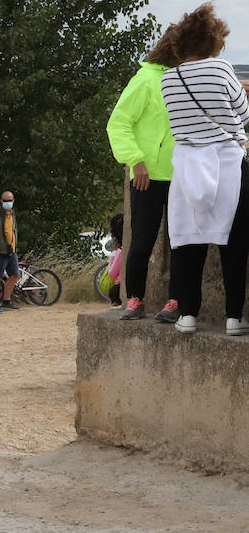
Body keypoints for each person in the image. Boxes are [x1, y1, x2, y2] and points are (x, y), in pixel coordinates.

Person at [159, 3, 249, 334]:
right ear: (213, 41)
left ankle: (187, 315)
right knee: (234, 243)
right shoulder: (222, 69)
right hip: (226, 162)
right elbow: (243, 115)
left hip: (186, 165)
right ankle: (233, 318)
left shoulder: (168, 79)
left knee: (187, 241)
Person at [108, 26, 182, 321]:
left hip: (180, 175)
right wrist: (135, 160)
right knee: (141, 241)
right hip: (146, 176)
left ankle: (176, 301)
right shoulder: (145, 79)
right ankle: (135, 299)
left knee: (181, 242)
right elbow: (119, 123)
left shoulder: (184, 80)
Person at [104, 214, 125, 308]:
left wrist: (113, 257)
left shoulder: (119, 252)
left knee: (113, 291)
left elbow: (112, 274)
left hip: (120, 289)